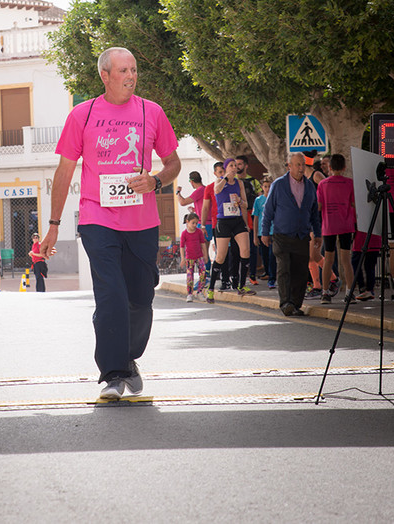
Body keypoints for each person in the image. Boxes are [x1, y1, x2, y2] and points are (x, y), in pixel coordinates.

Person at [39, 46, 180, 400]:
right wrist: (54, 224)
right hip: (97, 219)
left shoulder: (152, 112)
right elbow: (64, 171)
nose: (131, 76)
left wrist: (156, 180)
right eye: (123, 71)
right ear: (105, 75)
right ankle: (113, 374)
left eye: (134, 70)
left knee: (140, 299)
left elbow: (173, 163)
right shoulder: (82, 115)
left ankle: (129, 360)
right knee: (111, 297)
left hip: (143, 221)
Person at [261, 153, 322, 317]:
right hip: (282, 235)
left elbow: (314, 213)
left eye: (302, 165)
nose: (301, 168)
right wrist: (264, 232)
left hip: (302, 235)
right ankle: (286, 303)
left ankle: (296, 304)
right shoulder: (279, 185)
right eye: (297, 165)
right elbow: (268, 211)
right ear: (289, 166)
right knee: (284, 269)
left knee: (301, 272)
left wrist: (318, 234)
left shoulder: (309, 186)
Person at [206, 158, 256, 302]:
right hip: (224, 222)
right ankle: (210, 290)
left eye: (235, 165)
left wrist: (241, 202)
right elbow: (217, 190)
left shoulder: (240, 183)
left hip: (237, 220)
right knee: (221, 256)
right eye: (231, 166)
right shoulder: (220, 181)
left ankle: (241, 286)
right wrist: (226, 177)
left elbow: (245, 204)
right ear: (226, 168)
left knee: (245, 251)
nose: (234, 168)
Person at [316, 153, 357, 305]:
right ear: (344, 168)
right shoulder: (350, 183)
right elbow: (353, 204)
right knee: (346, 260)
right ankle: (349, 293)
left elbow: (319, 206)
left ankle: (325, 293)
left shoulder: (322, 184)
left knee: (328, 259)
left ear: (330, 167)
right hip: (346, 225)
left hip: (329, 225)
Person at [236, 154, 260, 285]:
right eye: (235, 164)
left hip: (251, 216)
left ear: (245, 166)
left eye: (239, 164)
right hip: (236, 217)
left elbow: (260, 197)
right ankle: (237, 276)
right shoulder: (231, 180)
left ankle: (252, 275)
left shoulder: (254, 181)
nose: (237, 167)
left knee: (252, 246)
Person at [253, 176, 276, 288]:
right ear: (262, 187)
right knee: (265, 255)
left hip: (273, 231)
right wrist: (255, 236)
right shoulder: (258, 200)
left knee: (273, 255)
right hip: (262, 232)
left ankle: (272, 278)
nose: (267, 188)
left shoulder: (275, 198)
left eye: (269, 186)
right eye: (265, 186)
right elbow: (256, 218)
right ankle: (268, 272)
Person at [179, 212, 208, 301]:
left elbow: (202, 244)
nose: (195, 225)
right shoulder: (184, 234)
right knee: (189, 276)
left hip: (199, 257)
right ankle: (190, 294)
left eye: (196, 223)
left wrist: (205, 256)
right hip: (189, 258)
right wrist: (183, 258)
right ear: (187, 222)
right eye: (193, 223)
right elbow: (182, 247)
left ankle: (199, 292)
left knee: (203, 273)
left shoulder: (199, 232)